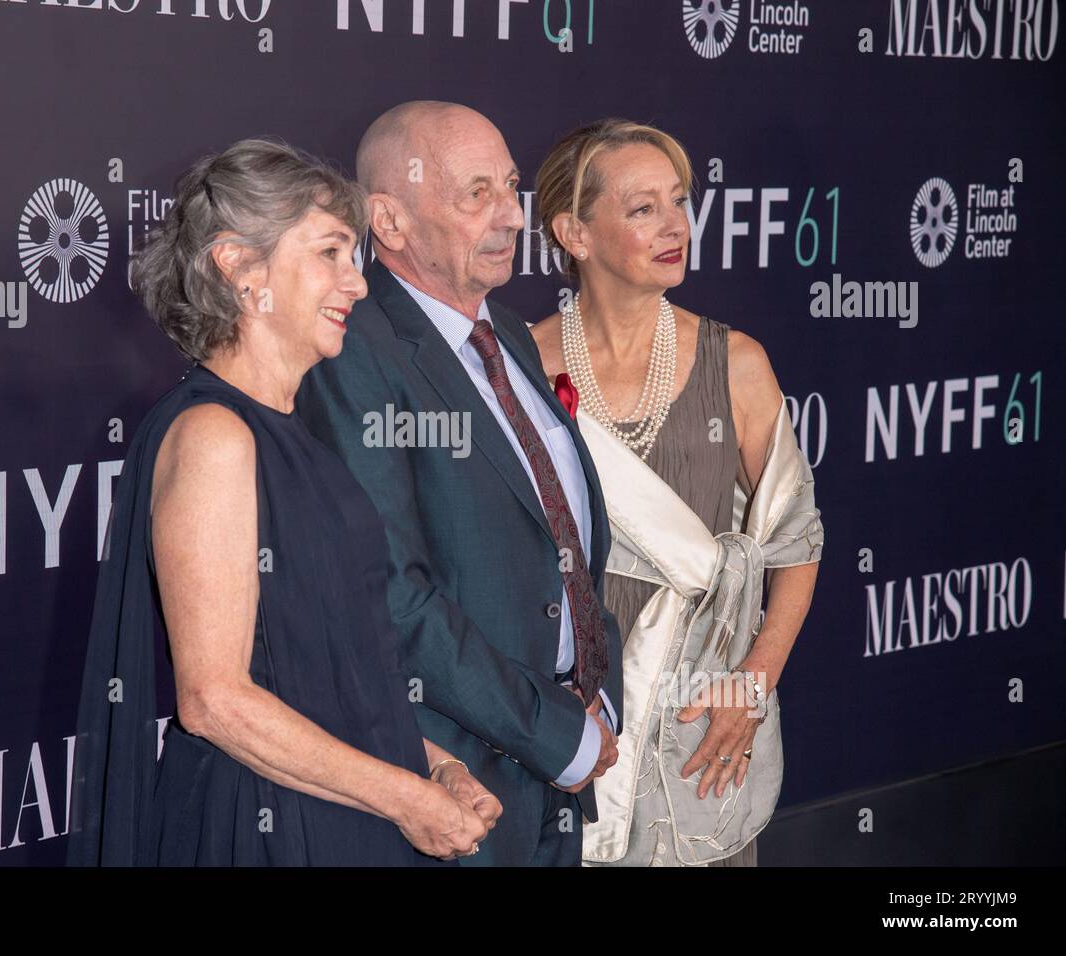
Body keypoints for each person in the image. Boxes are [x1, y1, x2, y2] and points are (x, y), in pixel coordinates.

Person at [66, 137, 502, 867]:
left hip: (331, 815)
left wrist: (434, 766)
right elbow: (214, 699)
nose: (357, 283)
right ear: (239, 268)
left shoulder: (288, 432)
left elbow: (323, 679)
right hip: (258, 830)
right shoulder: (214, 437)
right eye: (330, 252)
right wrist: (405, 797)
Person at [296, 102, 623, 867]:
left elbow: (559, 535)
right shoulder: (354, 352)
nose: (512, 214)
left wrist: (591, 691)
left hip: (555, 771)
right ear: (392, 221)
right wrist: (556, 733)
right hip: (448, 789)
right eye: (477, 193)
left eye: (511, 188)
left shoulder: (504, 329)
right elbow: (391, 597)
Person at [530, 119, 823, 866]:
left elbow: (797, 544)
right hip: (567, 721)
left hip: (705, 719)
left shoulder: (739, 363)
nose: (676, 226)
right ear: (574, 232)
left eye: (679, 201)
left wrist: (751, 687)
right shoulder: (516, 368)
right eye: (642, 209)